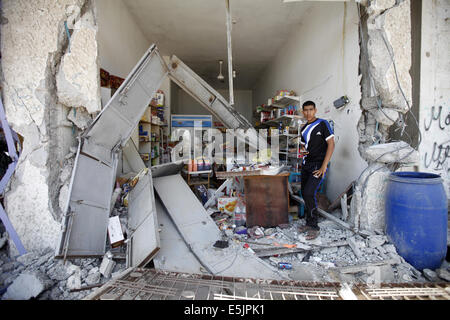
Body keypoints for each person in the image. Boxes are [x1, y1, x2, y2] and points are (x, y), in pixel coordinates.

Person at [297, 101, 335, 240]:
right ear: (303, 111)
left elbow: (331, 144)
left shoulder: (323, 124)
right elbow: (303, 147)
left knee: (309, 193)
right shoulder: (303, 128)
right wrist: (303, 152)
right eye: (305, 110)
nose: (308, 113)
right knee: (305, 194)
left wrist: (324, 166)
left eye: (311, 110)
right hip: (306, 165)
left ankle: (314, 226)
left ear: (315, 110)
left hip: (318, 165)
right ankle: (309, 222)